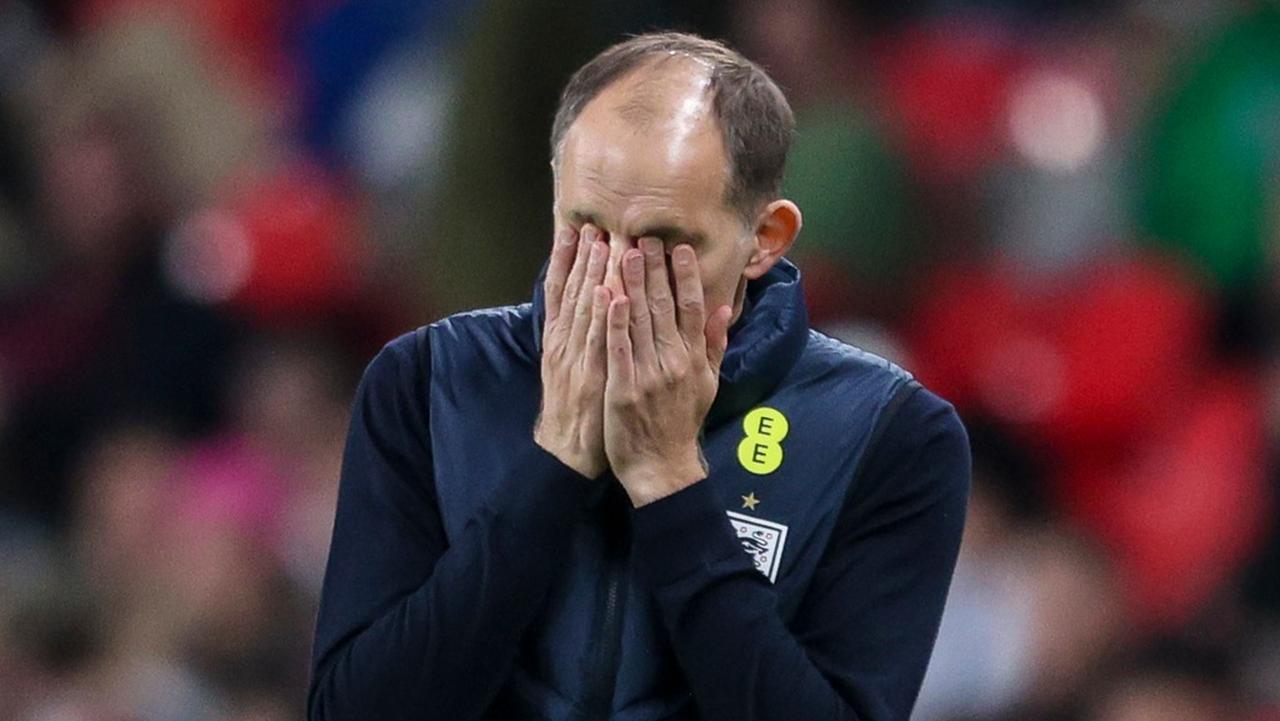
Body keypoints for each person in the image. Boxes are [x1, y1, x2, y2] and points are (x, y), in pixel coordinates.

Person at [307, 31, 970, 721]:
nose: (616, 282)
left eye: (662, 244)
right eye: (587, 230)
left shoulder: (891, 434)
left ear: (764, 238)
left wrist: (670, 482)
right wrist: (555, 462)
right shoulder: (427, 381)